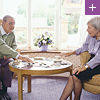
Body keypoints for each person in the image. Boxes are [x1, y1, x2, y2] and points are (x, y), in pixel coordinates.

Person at [59, 17, 100, 100]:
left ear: (98, 29)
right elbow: (83, 48)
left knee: (76, 76)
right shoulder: (90, 36)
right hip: (92, 61)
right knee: (73, 76)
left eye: (89, 27)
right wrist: (70, 53)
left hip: (98, 63)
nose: (87, 30)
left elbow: (98, 58)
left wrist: (84, 67)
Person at [0, 15, 33, 100]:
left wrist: (10, 54)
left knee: (10, 64)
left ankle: (4, 91)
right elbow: (2, 46)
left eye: (14, 23)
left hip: (5, 58)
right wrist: (19, 56)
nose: (12, 26)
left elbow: (14, 45)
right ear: (3, 23)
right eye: (10, 23)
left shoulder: (11, 33)